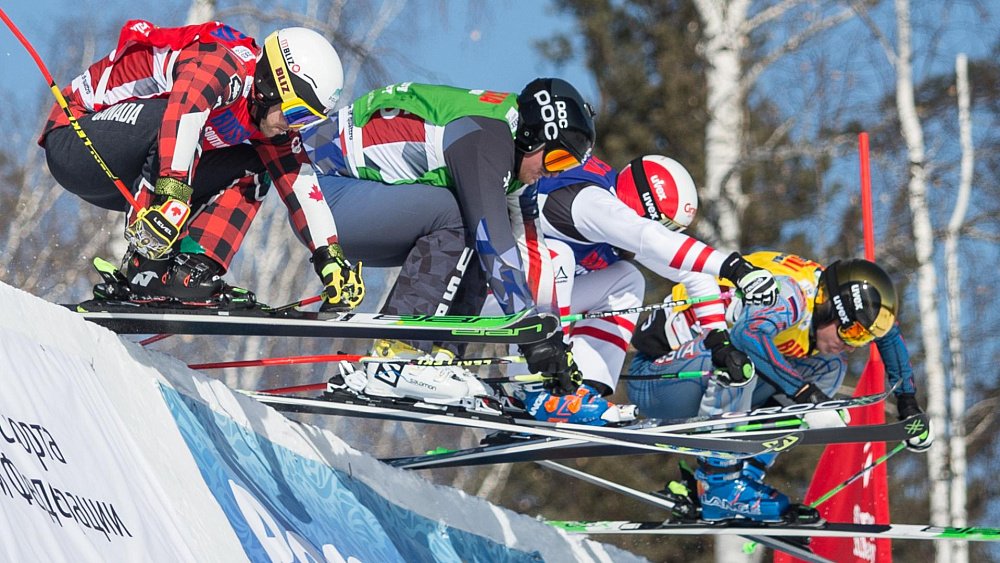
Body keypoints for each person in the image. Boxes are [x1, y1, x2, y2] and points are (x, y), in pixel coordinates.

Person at [300, 79, 599, 411]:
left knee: (479, 219)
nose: (552, 173)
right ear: (532, 137)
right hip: (320, 195)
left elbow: (532, 251)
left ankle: (442, 358)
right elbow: (494, 242)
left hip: (356, 201)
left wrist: (551, 335)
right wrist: (528, 331)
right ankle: (395, 356)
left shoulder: (515, 156)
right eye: (557, 159)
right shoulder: (487, 137)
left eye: (568, 167)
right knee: (471, 216)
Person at [39, 20, 364, 310]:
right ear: (270, 84)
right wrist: (173, 198)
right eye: (296, 114)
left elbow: (299, 183)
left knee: (258, 164)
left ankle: (190, 270)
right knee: (177, 121)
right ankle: (148, 262)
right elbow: (184, 116)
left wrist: (330, 259)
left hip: (127, 176)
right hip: (76, 138)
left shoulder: (267, 119)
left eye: (306, 121)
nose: (294, 126)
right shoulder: (222, 63)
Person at [629, 251, 934, 522]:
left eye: (862, 339)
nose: (853, 345)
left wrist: (908, 402)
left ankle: (743, 474)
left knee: (828, 366)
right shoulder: (793, 295)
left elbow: (889, 336)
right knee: (742, 357)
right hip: (658, 379)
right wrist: (804, 395)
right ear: (831, 309)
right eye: (851, 332)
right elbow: (747, 336)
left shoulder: (827, 295)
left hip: (700, 381)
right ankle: (718, 481)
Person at [503, 154, 765, 425]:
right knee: (558, 256)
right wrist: (733, 267)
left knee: (627, 279)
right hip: (491, 290)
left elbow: (695, 275)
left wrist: (718, 342)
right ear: (642, 206)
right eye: (666, 227)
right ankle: (537, 388)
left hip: (523, 303)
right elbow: (651, 238)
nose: (667, 233)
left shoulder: (619, 226)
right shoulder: (592, 202)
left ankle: (579, 392)